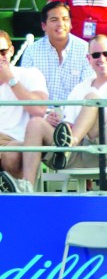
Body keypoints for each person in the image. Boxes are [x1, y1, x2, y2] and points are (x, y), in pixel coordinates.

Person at [19, 34, 107, 187]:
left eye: (106, 53)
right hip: (80, 152)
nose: (101, 59)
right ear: (88, 59)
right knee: (36, 123)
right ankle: (26, 187)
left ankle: (68, 145)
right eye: (96, 55)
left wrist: (99, 126)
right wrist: (54, 121)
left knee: (93, 98)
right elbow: (67, 124)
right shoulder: (80, 88)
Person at [0, 30, 49, 192]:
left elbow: (39, 109)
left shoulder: (29, 74)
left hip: (16, 141)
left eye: (3, 52)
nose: (0, 57)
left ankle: (22, 193)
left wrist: (10, 80)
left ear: (12, 51)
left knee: (11, 154)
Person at [21, 1, 94, 103]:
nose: (60, 24)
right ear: (44, 26)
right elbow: (26, 90)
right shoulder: (32, 52)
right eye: (54, 20)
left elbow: (88, 89)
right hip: (42, 114)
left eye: (65, 19)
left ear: (71, 24)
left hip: (75, 113)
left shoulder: (85, 50)